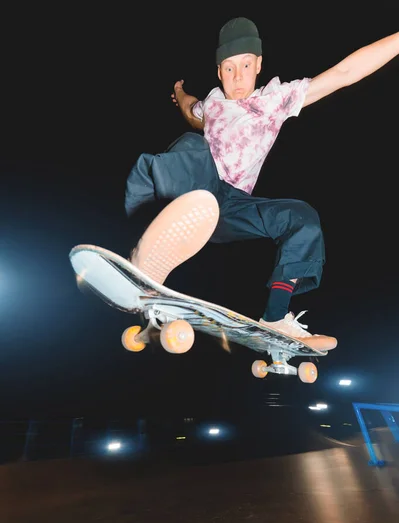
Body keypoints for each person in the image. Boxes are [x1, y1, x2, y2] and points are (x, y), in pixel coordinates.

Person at [125, 17, 399, 351]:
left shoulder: (275, 101)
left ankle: (275, 316)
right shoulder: (211, 104)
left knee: (302, 217)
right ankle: (148, 253)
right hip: (197, 188)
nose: (237, 77)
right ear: (218, 71)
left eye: (245, 66)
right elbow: (189, 111)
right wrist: (180, 92)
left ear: (259, 65)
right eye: (228, 69)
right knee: (191, 145)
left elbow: (344, 73)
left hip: (233, 207)